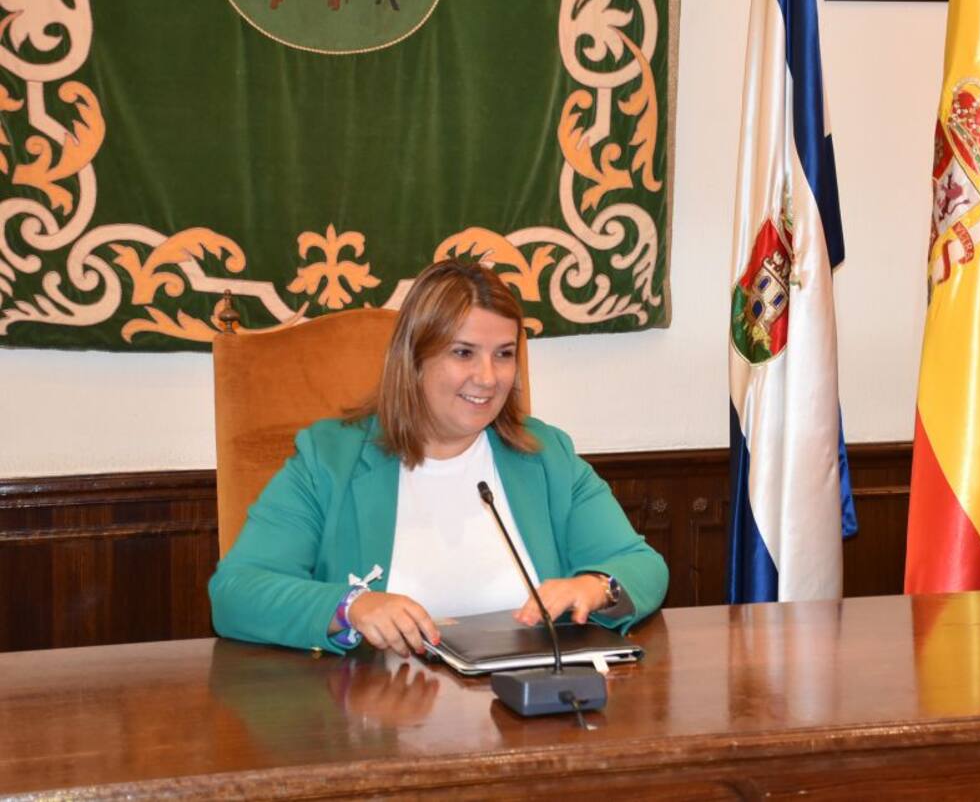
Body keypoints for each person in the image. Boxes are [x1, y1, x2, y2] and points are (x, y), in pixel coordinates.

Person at [209, 260, 669, 655]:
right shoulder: (329, 459)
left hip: (524, 711)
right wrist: (351, 607)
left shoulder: (546, 455)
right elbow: (235, 592)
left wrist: (597, 586)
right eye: (463, 352)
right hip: (377, 713)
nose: (487, 377)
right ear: (414, 359)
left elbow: (642, 565)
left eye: (504, 354)